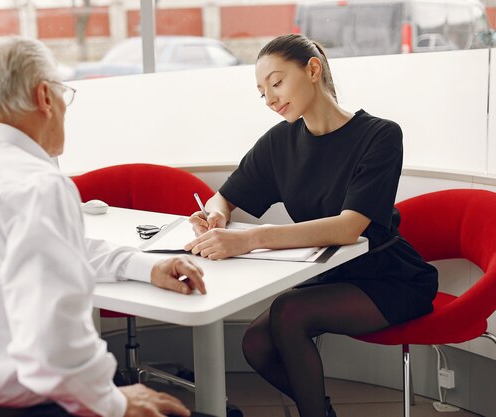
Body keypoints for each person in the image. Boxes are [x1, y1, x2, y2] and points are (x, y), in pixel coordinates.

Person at [0, 36, 210, 417]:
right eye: (64, 93)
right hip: (0, 408)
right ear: (45, 97)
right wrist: (116, 402)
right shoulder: (36, 184)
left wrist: (146, 266)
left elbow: (55, 251)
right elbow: (52, 348)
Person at [185, 34, 438, 417]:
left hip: (387, 277)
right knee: (254, 343)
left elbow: (348, 228)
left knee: (289, 311)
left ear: (313, 70)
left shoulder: (380, 136)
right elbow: (226, 195)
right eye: (261, 92)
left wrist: (252, 239)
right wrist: (216, 213)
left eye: (276, 82)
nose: (270, 99)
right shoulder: (279, 143)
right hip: (328, 273)